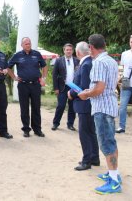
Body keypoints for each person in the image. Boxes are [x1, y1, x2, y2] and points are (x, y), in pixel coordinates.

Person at [79, 34, 122, 194]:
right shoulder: (110, 60)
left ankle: (114, 182)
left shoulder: (98, 62)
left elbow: (99, 89)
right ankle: (114, 174)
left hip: (102, 108)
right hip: (109, 105)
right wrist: (90, 91)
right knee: (111, 141)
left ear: (91, 47)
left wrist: (86, 94)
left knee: (106, 144)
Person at [68, 42, 99, 171]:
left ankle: (87, 160)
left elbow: (84, 87)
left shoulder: (86, 64)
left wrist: (71, 93)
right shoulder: (88, 62)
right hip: (87, 104)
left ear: (78, 52)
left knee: (84, 132)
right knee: (91, 131)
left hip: (84, 104)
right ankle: (94, 157)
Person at [7, 37, 48, 138]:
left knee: (36, 108)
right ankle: (26, 129)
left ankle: (37, 129)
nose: (28, 45)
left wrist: (43, 78)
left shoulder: (36, 54)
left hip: (35, 85)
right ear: (22, 45)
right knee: (24, 108)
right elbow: (8, 67)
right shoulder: (17, 55)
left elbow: (44, 66)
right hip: (23, 85)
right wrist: (14, 77)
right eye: (26, 43)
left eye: (29, 43)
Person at [52, 43, 79, 131]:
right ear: (64, 51)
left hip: (73, 87)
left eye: (70, 50)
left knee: (72, 107)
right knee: (61, 105)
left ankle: (70, 124)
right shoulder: (59, 60)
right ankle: (55, 123)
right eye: (67, 50)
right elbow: (54, 74)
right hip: (62, 87)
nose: (68, 51)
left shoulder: (77, 61)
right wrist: (56, 88)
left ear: (73, 51)